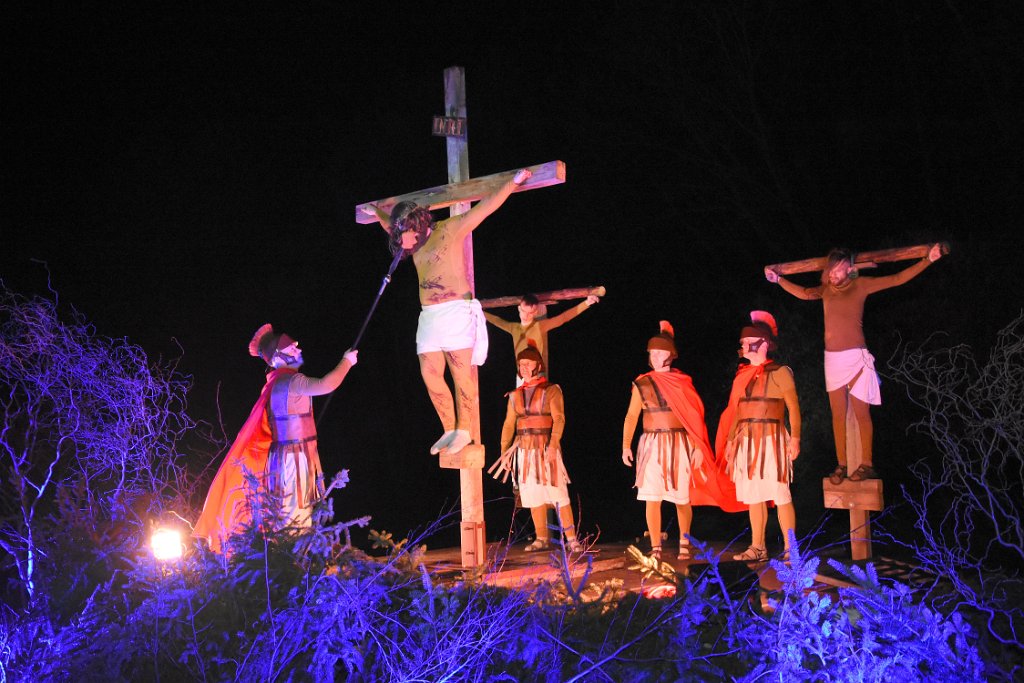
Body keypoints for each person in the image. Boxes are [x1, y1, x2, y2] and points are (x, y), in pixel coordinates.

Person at [366, 168, 533, 456]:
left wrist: (513, 182)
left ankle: (464, 430)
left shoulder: (450, 229)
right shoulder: (409, 238)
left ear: (419, 224)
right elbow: (389, 226)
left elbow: (486, 207)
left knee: (461, 375)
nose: (404, 242)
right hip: (429, 316)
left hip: (455, 311)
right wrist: (377, 213)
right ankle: (448, 429)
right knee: (430, 374)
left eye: (406, 234)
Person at [765, 243, 943, 483]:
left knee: (861, 413)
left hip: (856, 358)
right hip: (833, 360)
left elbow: (897, 279)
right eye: (831, 270)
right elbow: (805, 293)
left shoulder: (861, 285)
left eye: (839, 269)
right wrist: (779, 280)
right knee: (837, 415)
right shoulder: (826, 290)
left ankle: (867, 464)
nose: (834, 274)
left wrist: (927, 260)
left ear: (850, 269)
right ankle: (841, 464)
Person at [194, 324, 357, 552]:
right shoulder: (290, 382)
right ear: (278, 357)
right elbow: (326, 384)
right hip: (293, 459)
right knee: (295, 514)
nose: (299, 351)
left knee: (290, 512)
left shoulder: (275, 384)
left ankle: (291, 556)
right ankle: (291, 559)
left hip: (287, 457)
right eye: (292, 349)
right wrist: (347, 361)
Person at [622, 321, 744, 561]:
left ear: (671, 355)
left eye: (660, 353)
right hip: (651, 445)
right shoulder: (642, 383)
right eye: (653, 353)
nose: (656, 357)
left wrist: (698, 446)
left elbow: (694, 415)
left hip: (679, 444)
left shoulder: (682, 382)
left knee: (681, 496)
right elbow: (631, 415)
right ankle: (655, 546)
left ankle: (684, 542)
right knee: (651, 497)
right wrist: (626, 444)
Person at [717, 311, 801, 562]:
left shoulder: (780, 372)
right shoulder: (743, 375)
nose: (742, 345)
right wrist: (731, 440)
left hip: (772, 439)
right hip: (747, 441)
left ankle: (791, 549)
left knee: (780, 493)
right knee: (754, 494)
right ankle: (758, 547)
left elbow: (793, 407)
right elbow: (738, 410)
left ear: (762, 343)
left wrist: (795, 438)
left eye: (747, 341)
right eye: (742, 342)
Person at [488, 345, 583, 553]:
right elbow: (508, 425)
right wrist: (505, 452)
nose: (524, 367)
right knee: (532, 494)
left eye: (528, 363)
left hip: (545, 448)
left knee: (558, 493)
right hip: (524, 450)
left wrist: (554, 445)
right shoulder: (515, 395)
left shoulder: (551, 390)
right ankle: (541, 538)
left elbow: (559, 419)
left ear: (538, 366)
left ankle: (571, 538)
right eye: (521, 364)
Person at [484, 292, 599, 385]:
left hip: (537, 375)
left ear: (535, 313)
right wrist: (479, 311)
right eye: (524, 311)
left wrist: (587, 303)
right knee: (519, 405)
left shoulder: (539, 326)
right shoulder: (514, 328)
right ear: (519, 309)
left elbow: (563, 318)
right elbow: (497, 321)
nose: (526, 316)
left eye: (530, 313)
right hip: (522, 376)